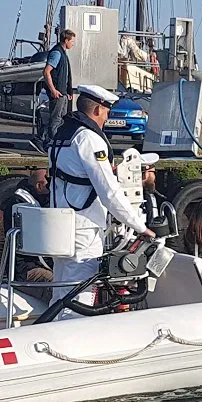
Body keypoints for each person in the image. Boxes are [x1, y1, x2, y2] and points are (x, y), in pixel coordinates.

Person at [48, 84, 154, 320]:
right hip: (84, 229)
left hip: (59, 225)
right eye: (106, 112)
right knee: (81, 292)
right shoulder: (89, 139)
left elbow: (74, 175)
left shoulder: (64, 134)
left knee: (61, 289)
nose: (106, 118)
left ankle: (51, 334)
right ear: (97, 110)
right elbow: (110, 192)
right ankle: (73, 344)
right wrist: (141, 226)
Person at [2, 170, 53, 303]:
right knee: (65, 287)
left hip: (38, 264)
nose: (54, 189)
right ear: (39, 186)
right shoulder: (22, 207)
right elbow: (43, 241)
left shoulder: (35, 202)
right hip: (27, 269)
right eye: (50, 185)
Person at [43, 29, 76, 146]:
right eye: (72, 41)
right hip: (57, 93)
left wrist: (68, 91)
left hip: (63, 93)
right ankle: (50, 142)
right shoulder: (57, 53)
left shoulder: (63, 53)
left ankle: (56, 141)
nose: (73, 43)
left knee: (62, 119)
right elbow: (47, 72)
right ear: (66, 40)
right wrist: (53, 90)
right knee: (56, 118)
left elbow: (65, 74)